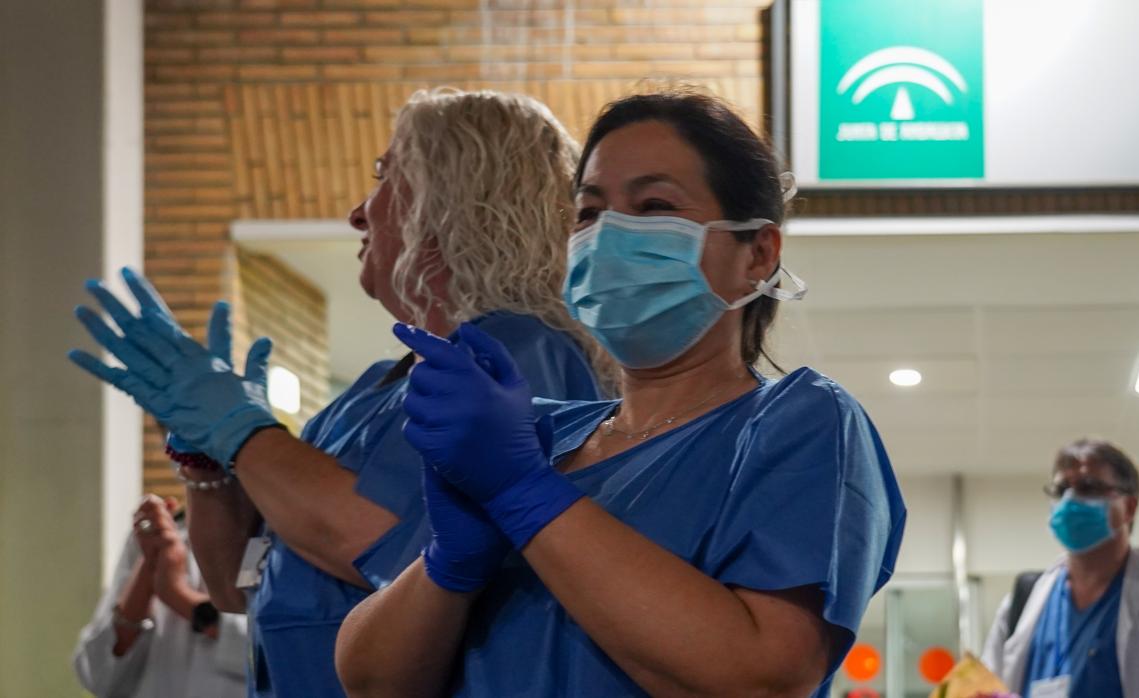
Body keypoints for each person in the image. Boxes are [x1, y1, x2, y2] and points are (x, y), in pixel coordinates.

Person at [334, 90, 907, 697]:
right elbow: (370, 682)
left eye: (654, 206)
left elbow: (760, 678)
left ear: (758, 254)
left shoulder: (798, 424)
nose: (608, 235)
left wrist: (526, 496)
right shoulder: (540, 436)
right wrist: (449, 564)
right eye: (589, 212)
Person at [68, 89, 612, 697]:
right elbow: (235, 583)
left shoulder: (519, 353)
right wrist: (205, 459)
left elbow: (385, 546)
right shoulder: (369, 392)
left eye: (385, 176)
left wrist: (243, 431)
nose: (358, 213)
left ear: (451, 200)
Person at [981, 438, 1139, 697]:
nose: (1069, 500)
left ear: (1129, 507)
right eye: (1061, 489)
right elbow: (986, 690)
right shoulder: (1023, 602)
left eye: (1088, 487)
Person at [73, 494, 248, 697]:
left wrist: (180, 597)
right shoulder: (157, 535)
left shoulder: (276, 537)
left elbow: (272, 655)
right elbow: (97, 676)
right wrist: (149, 564)